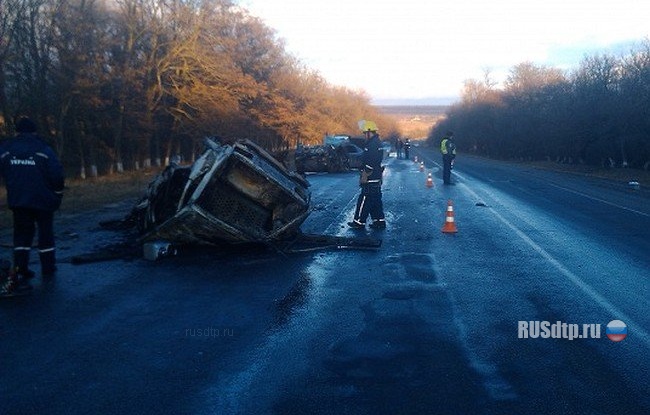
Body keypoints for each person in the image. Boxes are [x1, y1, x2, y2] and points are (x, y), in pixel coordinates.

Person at [0, 117, 65, 290]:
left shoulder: (6, 150)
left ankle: (21, 268)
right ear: (34, 131)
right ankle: (48, 267)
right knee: (45, 234)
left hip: (19, 201)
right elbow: (57, 175)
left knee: (21, 235)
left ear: (17, 131)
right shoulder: (43, 149)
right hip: (43, 200)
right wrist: (57, 195)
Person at [348, 124, 386, 230]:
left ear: (370, 132)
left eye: (365, 133)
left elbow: (371, 160)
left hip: (370, 175)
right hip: (376, 175)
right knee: (376, 199)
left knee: (365, 198)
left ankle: (359, 221)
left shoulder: (372, 145)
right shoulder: (376, 142)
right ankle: (379, 221)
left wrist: (365, 173)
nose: (364, 135)